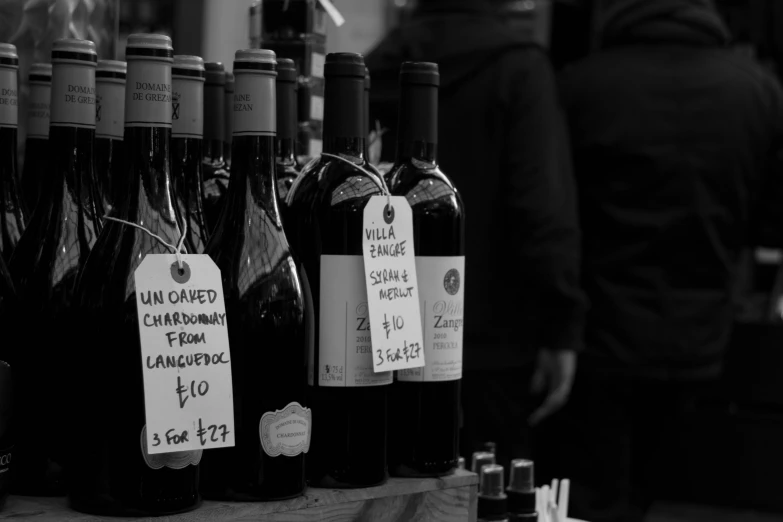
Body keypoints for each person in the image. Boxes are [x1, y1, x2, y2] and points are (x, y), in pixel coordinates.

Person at [539, 1, 783, 521]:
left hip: (594, 337)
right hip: (702, 338)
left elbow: (552, 214)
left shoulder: (579, 86)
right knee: (666, 493)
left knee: (587, 496)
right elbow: (770, 225)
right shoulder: (758, 91)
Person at [366, 0, 586, 470]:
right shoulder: (520, 67)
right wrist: (562, 325)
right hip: (492, 342)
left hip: (377, 335)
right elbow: (541, 205)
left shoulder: (375, 69)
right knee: (485, 492)